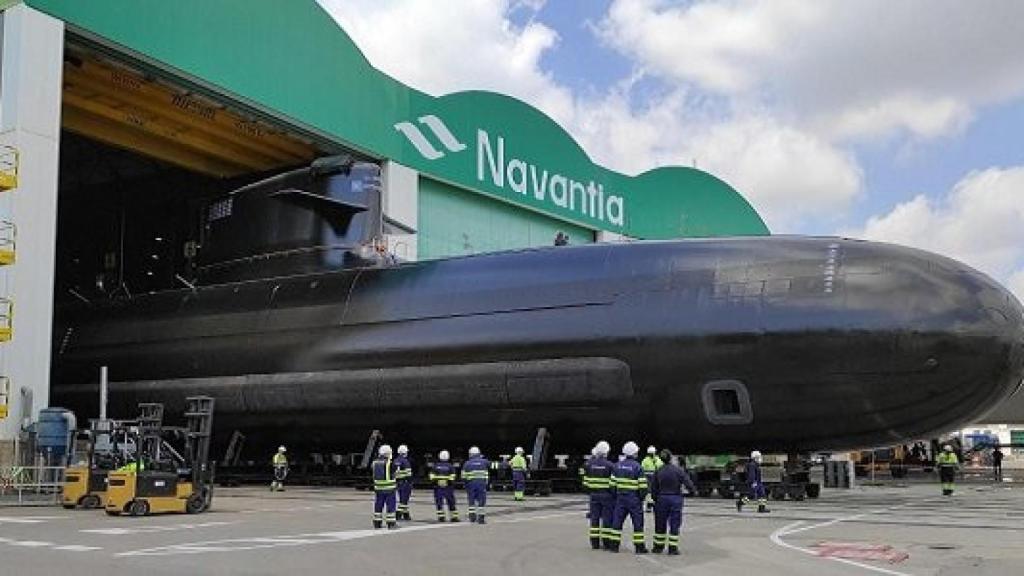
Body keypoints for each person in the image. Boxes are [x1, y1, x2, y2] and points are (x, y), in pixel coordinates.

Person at [651, 449, 696, 555]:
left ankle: (658, 547)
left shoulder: (658, 471)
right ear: (671, 458)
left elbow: (653, 488)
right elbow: (688, 483)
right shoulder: (678, 470)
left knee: (660, 524)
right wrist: (692, 492)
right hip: (675, 499)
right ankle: (672, 548)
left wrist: (656, 498)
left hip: (661, 499)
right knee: (674, 524)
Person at [607, 441, 648, 554]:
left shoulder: (617, 466)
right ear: (634, 453)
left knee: (617, 522)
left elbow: (612, 485)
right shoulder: (638, 467)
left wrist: (617, 496)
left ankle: (614, 546)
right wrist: (641, 498)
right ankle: (639, 547)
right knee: (638, 523)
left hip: (621, 499)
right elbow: (643, 487)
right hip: (634, 499)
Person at [582, 440, 615, 550]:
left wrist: (591, 491)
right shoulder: (611, 466)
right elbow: (613, 484)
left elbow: (585, 483)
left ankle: (594, 543)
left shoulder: (589, 465)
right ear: (606, 452)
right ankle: (606, 542)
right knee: (607, 519)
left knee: (594, 519)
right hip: (607, 496)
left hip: (594, 495)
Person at [372, 444, 399, 529]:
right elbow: (396, 473)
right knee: (391, 506)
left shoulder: (374, 463)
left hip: (378, 489)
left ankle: (377, 522)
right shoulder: (390, 463)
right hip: (389, 489)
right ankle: (391, 523)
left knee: (378, 505)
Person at [462, 446, 490, 524]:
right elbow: (492, 465)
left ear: (470, 454)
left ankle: (472, 517)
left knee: (471, 501)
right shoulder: (484, 461)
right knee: (481, 501)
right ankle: (481, 518)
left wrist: (465, 485)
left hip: (471, 485)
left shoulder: (467, 463)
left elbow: (463, 477)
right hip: (481, 484)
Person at [429, 450, 459, 522]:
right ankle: (454, 517)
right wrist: (447, 480)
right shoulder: (450, 466)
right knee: (451, 502)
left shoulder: (435, 466)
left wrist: (438, 480)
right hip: (448, 487)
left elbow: (431, 477)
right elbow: (453, 477)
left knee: (439, 502)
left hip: (438, 487)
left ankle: (441, 517)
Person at [641, 445, 663, 512]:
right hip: (649, 478)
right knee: (649, 492)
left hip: (655, 478)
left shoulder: (657, 460)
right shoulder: (646, 460)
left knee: (653, 492)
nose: (651, 454)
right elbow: (642, 470)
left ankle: (652, 505)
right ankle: (650, 506)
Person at [395, 444, 413, 520]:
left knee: (402, 498)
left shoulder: (395, 460)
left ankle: (406, 514)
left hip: (398, 482)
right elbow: (408, 474)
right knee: (404, 499)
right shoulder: (405, 461)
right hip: (405, 482)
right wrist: (410, 482)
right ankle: (398, 514)